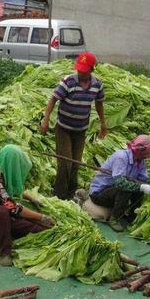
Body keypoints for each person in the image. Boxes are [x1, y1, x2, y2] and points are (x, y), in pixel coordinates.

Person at [0, 145, 53, 266]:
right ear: (11, 164)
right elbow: (13, 207)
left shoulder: (3, 172)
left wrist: (32, 199)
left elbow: (12, 188)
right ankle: (4, 253)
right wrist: (42, 217)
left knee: (38, 229)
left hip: (3, 220)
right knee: (2, 211)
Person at [41, 51, 108, 200]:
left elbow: (99, 104)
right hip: (63, 128)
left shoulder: (97, 85)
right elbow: (53, 99)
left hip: (80, 130)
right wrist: (45, 120)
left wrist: (103, 124)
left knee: (75, 164)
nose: (80, 72)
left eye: (83, 70)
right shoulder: (68, 82)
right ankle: (59, 196)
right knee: (65, 163)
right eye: (79, 69)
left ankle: (71, 194)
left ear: (91, 70)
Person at [89, 135, 150, 232]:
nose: (148, 157)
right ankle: (114, 219)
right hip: (99, 194)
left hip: (113, 192)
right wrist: (141, 186)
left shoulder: (140, 161)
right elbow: (120, 182)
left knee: (140, 189)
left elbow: (143, 179)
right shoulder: (121, 157)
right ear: (142, 152)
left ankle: (132, 217)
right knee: (126, 188)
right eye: (147, 154)